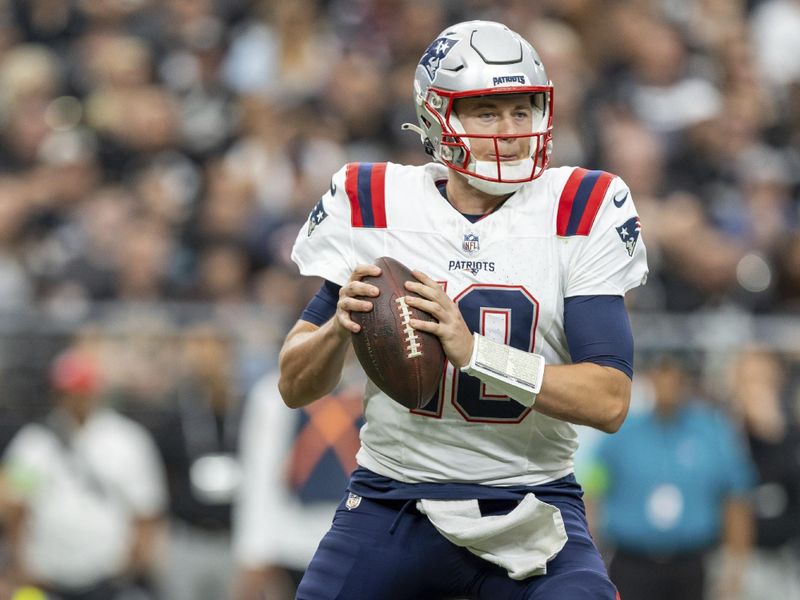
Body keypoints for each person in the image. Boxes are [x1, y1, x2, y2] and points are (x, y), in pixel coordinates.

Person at [278, 20, 648, 600]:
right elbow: (294, 384)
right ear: (436, 118)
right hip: (393, 500)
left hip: (532, 503)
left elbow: (608, 399)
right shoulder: (374, 200)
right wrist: (337, 331)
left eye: (523, 110)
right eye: (487, 112)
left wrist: (475, 352)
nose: (512, 131)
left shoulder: (582, 206)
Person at [2, 347, 167, 600]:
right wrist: (20, 564)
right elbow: (14, 506)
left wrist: (134, 566)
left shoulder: (126, 440)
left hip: (109, 580)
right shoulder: (36, 442)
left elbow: (147, 510)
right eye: (68, 393)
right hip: (47, 579)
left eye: (82, 391)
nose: (76, 400)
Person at [585, 355, 755, 600]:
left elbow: (736, 497)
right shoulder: (622, 433)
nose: (668, 384)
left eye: (676, 377)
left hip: (690, 563)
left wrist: (735, 567)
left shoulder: (712, 432)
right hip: (632, 562)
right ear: (651, 379)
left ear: (686, 382)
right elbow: (593, 491)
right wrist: (590, 554)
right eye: (662, 374)